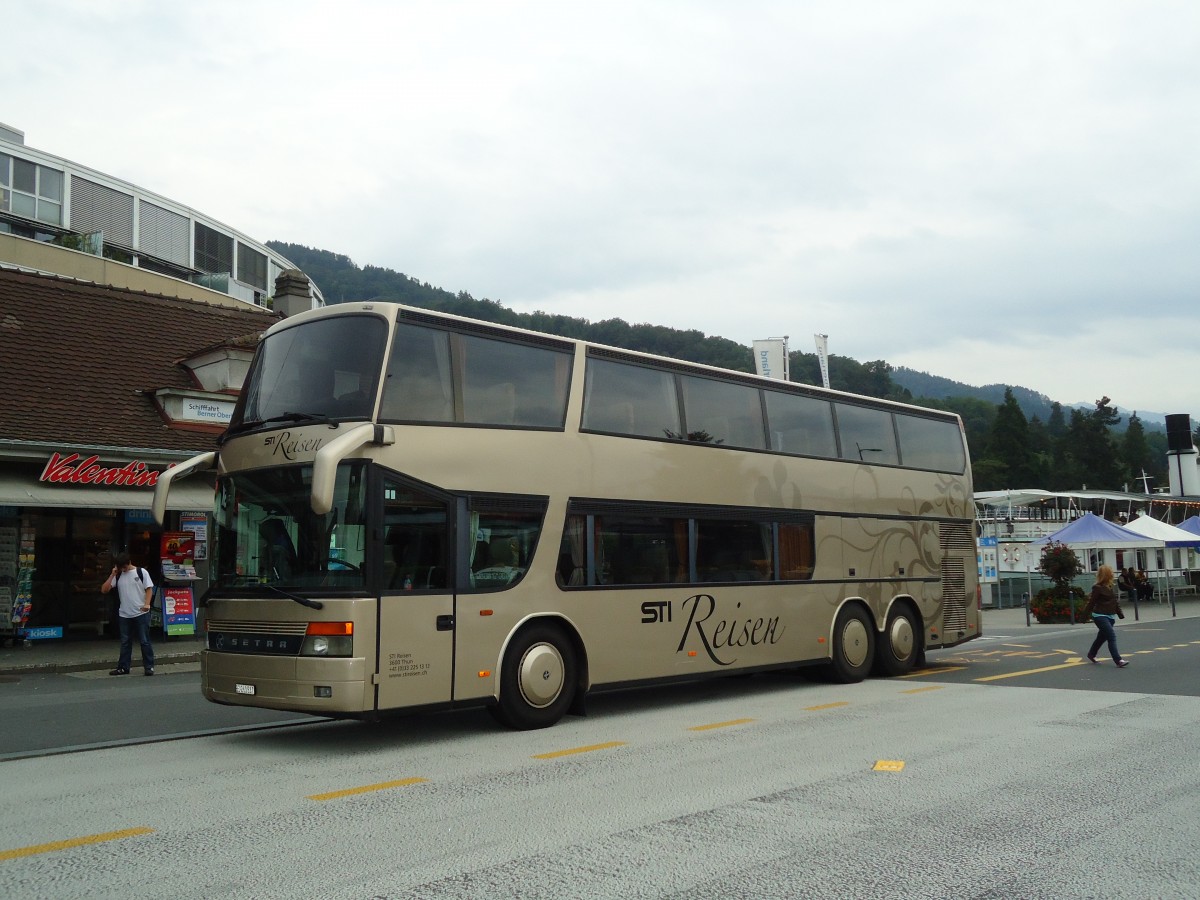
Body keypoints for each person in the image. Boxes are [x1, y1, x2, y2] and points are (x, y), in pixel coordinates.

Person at [100, 551, 155, 676]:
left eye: (123, 567)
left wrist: (147, 604)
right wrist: (112, 575)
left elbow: (149, 589)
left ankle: (149, 666)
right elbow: (104, 590)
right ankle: (123, 667)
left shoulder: (141, 572)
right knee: (125, 642)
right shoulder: (118, 575)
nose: (122, 569)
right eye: (120, 568)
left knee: (144, 640)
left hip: (141, 613)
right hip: (124, 614)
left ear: (129, 563)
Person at [1083, 564, 1128, 667]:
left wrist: (1120, 614)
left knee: (1102, 637)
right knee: (1111, 636)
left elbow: (1114, 602)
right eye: (1111, 572)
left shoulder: (1110, 586)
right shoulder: (1097, 588)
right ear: (1107, 575)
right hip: (1100, 615)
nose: (1113, 574)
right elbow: (1091, 602)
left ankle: (1091, 654)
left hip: (1111, 616)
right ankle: (1118, 660)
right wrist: (1084, 616)